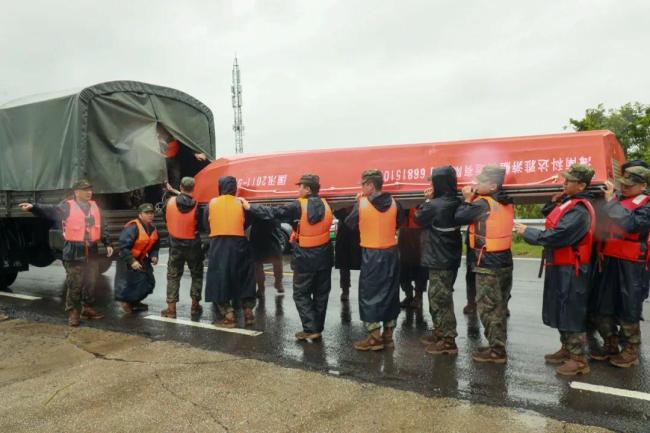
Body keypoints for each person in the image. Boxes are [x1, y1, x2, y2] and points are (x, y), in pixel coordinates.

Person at [515, 164, 596, 376]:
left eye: (569, 181)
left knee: (571, 310)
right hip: (560, 266)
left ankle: (578, 359)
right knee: (560, 307)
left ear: (581, 185)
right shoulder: (568, 203)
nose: (564, 182)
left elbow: (558, 235)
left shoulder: (579, 210)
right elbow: (551, 215)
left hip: (572, 268)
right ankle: (567, 349)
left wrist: (528, 232)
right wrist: (555, 199)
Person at [242, 174, 334, 341]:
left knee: (300, 293)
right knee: (321, 294)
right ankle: (316, 328)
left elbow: (274, 212)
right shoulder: (327, 204)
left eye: (300, 186)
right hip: (325, 256)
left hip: (305, 257)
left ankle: (310, 328)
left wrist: (250, 207)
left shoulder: (298, 205)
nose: (298, 189)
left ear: (307, 189)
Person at [19, 179, 113, 326]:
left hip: (91, 251)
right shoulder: (67, 206)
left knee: (91, 281)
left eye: (90, 190)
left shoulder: (95, 207)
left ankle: (87, 308)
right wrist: (33, 208)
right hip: (74, 251)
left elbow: (103, 225)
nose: (89, 192)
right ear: (77, 192)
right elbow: (50, 210)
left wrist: (107, 243)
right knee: (75, 283)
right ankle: (73, 312)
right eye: (85, 190)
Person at [590, 165, 650, 368]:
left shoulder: (646, 205)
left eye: (629, 185)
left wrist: (611, 201)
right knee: (603, 303)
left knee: (629, 306)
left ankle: (631, 350)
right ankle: (611, 343)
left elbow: (630, 224)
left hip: (631, 263)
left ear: (643, 186)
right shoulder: (617, 200)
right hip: (610, 259)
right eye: (623, 184)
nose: (624, 188)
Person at [454, 165, 513, 363]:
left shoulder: (482, 204)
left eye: (480, 182)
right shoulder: (506, 201)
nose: (475, 185)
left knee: (489, 308)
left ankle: (497, 351)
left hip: (487, 262)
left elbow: (459, 217)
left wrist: (467, 199)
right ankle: (499, 345)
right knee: (500, 306)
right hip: (504, 260)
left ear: (493, 185)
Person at [345, 169, 404, 351]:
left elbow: (348, 223)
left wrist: (358, 203)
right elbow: (399, 222)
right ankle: (388, 336)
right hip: (392, 253)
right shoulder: (395, 203)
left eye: (363, 184)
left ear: (370, 185)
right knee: (390, 292)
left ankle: (373, 337)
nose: (361, 187)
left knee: (369, 293)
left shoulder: (362, 204)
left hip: (371, 254)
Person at [415, 166, 463, 355]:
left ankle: (448, 340)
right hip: (449, 257)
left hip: (439, 259)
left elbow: (419, 217)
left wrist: (428, 199)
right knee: (440, 297)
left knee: (439, 300)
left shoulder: (435, 205)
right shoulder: (456, 201)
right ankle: (440, 332)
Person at [204, 176, 256, 328]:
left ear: (220, 187)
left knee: (219, 278)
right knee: (245, 277)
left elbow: (206, 224)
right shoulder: (241, 203)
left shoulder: (211, 204)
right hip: (240, 243)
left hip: (219, 244)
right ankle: (248, 312)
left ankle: (229, 315)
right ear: (235, 188)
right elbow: (248, 221)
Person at [161, 177, 205, 319]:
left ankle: (171, 309)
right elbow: (201, 226)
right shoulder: (198, 205)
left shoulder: (169, 203)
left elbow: (165, 217)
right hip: (193, 245)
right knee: (196, 275)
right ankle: (194, 305)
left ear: (180, 187)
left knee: (173, 275)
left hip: (175, 245)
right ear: (194, 188)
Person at [114, 203, 159, 313]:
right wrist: (132, 261)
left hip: (141, 259)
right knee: (129, 283)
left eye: (152, 213)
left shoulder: (152, 228)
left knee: (148, 282)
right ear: (140, 214)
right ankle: (126, 303)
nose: (150, 215)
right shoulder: (133, 227)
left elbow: (155, 245)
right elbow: (123, 246)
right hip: (127, 259)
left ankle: (135, 301)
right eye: (147, 213)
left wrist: (154, 255)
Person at [398, 207, 428, 309]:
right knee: (403, 268)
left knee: (419, 268)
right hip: (404, 233)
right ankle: (408, 295)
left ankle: (418, 296)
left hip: (419, 232)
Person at [249, 218, 285, 297]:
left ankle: (278, 283)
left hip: (272, 234)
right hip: (258, 236)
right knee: (258, 264)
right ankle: (261, 288)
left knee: (277, 261)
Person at [333, 206, 361, 301]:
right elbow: (336, 212)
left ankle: (365, 291)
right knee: (344, 265)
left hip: (359, 233)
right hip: (344, 235)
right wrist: (345, 209)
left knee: (365, 264)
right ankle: (345, 290)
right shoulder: (342, 203)